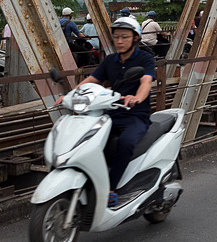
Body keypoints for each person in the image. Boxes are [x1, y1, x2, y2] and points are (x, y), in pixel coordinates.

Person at [56, 17, 155, 207]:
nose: (119, 41)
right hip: (109, 114)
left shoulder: (145, 58)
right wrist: (70, 94)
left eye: (124, 37)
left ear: (136, 38)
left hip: (135, 115)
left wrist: (136, 98)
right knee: (87, 140)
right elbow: (92, 80)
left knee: (125, 142)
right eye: (116, 37)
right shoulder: (110, 60)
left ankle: (110, 188)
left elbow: (146, 81)